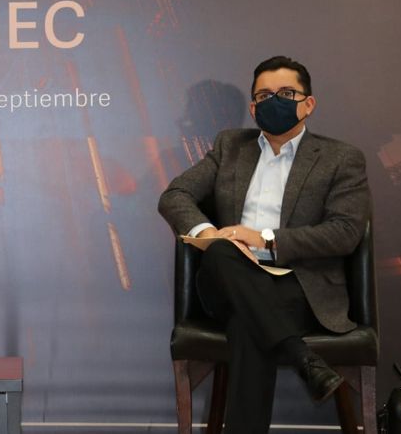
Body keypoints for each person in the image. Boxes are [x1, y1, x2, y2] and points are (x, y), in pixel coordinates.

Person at [158, 56, 371, 434]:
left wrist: (265, 239)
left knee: (248, 324)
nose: (275, 102)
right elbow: (175, 195)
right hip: (227, 278)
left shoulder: (340, 158)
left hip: (298, 286)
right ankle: (301, 357)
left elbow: (345, 232)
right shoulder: (230, 147)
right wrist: (209, 234)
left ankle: (294, 360)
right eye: (264, 95)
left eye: (286, 94)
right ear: (254, 107)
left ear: (308, 103)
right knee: (222, 251)